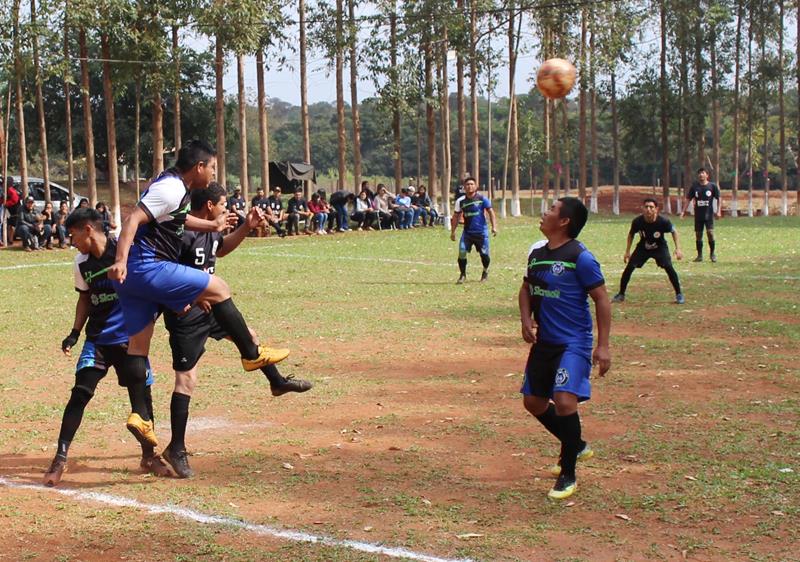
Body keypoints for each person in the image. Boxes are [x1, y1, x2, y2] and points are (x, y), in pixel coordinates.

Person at [108, 140, 291, 447]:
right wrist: (120, 261)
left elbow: (177, 219)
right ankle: (251, 354)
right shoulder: (171, 187)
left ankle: (140, 415)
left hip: (131, 280)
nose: (214, 174)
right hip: (145, 266)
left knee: (138, 346)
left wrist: (214, 225)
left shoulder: (173, 189)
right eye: (213, 167)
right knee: (218, 287)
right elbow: (132, 220)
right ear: (200, 167)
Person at [161, 183, 313, 477]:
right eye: (222, 203)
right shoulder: (181, 235)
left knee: (250, 337)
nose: (225, 207)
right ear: (208, 206)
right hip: (187, 314)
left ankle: (277, 383)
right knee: (186, 380)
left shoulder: (212, 229)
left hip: (212, 308)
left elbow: (221, 249)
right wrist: (194, 296)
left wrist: (246, 227)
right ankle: (175, 448)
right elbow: (164, 276)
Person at [43, 208, 170, 486]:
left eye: (73, 234)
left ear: (88, 229)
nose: (70, 240)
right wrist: (74, 333)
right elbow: (85, 299)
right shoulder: (81, 263)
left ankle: (150, 456)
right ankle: (59, 458)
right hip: (97, 340)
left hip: (130, 340)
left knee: (142, 397)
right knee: (79, 394)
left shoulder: (126, 251)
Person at [518, 197, 611, 500]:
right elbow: (526, 288)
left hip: (574, 342)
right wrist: (525, 320)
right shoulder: (537, 254)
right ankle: (577, 444)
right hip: (545, 342)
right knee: (533, 402)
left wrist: (604, 345)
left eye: (551, 210)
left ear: (564, 221)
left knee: (565, 399)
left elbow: (601, 299)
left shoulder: (580, 257)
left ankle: (568, 474)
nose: (544, 213)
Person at [612, 198, 685, 304]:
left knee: (668, 266)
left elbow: (674, 232)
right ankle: (621, 294)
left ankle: (679, 294)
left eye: (651, 207)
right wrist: (627, 251)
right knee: (629, 267)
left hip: (659, 247)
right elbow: (631, 234)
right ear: (642, 208)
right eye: (646, 207)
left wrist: (678, 249)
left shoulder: (663, 221)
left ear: (656, 209)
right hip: (643, 247)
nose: (648, 209)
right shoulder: (637, 221)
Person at [450, 177, 497, 284]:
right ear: (464, 187)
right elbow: (456, 217)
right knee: (462, 252)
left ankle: (485, 271)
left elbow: (491, 212)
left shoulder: (482, 199)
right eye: (467, 184)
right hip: (467, 233)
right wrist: (453, 232)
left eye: (472, 184)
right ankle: (462, 275)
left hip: (481, 232)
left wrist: (494, 227)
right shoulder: (460, 201)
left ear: (476, 186)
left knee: (485, 255)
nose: (469, 186)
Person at [681, 168, 721, 262]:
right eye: (699, 173)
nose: (701, 175)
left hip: (709, 215)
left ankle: (712, 254)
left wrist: (718, 211)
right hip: (698, 215)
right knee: (698, 235)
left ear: (707, 175)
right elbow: (688, 199)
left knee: (710, 233)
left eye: (703, 173)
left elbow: (719, 198)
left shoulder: (712, 186)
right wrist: (683, 211)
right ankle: (699, 256)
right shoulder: (695, 187)